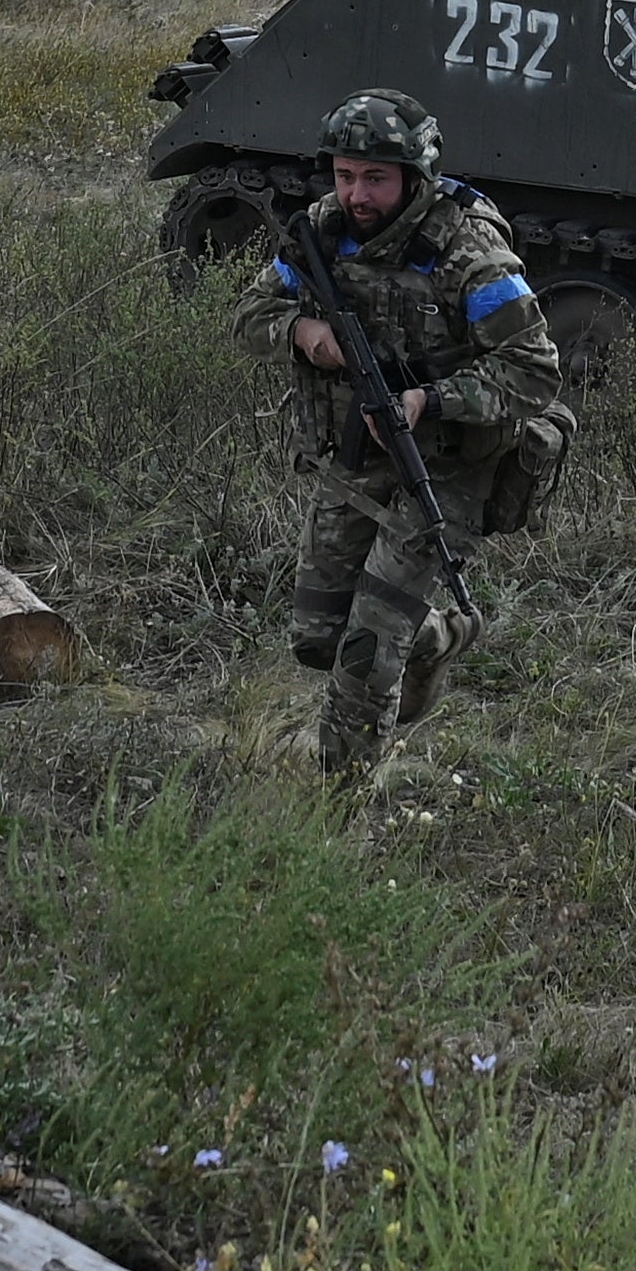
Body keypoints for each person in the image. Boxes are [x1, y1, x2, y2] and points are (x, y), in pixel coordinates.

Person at [230, 88, 568, 780]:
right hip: (358, 453)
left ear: (415, 176)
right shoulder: (323, 230)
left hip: (446, 464)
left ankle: (340, 807)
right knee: (317, 640)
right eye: (345, 174)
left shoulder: (468, 251)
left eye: (374, 178)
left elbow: (535, 372)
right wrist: (302, 332)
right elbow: (249, 312)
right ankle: (436, 635)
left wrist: (431, 399)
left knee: (366, 653)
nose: (355, 192)